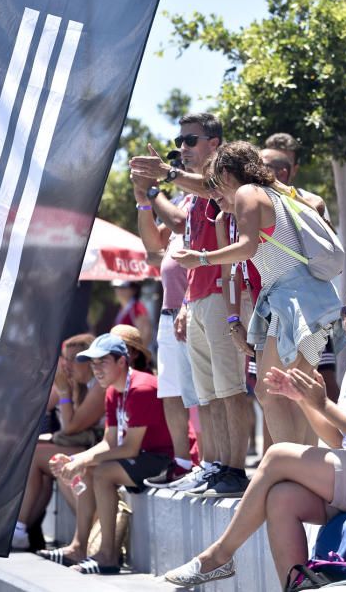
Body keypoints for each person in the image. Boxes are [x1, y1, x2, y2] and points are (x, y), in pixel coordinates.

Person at [164, 274, 346, 588]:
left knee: (278, 455)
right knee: (282, 498)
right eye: (345, 312)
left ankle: (219, 556)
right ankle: (298, 587)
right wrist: (305, 402)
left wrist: (323, 405)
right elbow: (340, 441)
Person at [173, 141, 342, 445]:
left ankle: (292, 471)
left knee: (271, 390)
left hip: (293, 299)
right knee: (295, 391)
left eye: (213, 183)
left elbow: (248, 246)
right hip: (311, 299)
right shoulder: (274, 192)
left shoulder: (247, 193)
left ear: (226, 173)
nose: (213, 195)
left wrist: (200, 258)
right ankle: (307, 474)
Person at [129, 113, 251, 499]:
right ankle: (215, 466)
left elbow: (212, 191)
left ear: (214, 143)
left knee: (230, 389)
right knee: (208, 394)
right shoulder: (192, 191)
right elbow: (172, 235)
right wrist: (149, 194)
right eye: (180, 141)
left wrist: (162, 179)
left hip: (222, 293)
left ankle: (234, 467)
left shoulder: (224, 180)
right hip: (197, 298)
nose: (182, 148)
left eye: (190, 140)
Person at [38, 333, 174, 573]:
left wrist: (82, 461)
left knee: (102, 473)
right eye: (93, 363)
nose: (96, 369)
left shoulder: (141, 388)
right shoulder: (112, 390)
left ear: (122, 362)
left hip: (164, 459)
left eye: (102, 362)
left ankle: (108, 556)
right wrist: (76, 460)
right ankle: (79, 547)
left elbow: (130, 447)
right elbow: (109, 441)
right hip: (142, 454)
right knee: (91, 467)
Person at [130, 177, 202, 486]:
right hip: (171, 310)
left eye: (188, 142)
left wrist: (153, 191)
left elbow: (176, 222)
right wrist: (143, 201)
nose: (180, 155)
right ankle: (183, 463)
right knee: (172, 391)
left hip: (197, 305)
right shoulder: (183, 198)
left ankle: (210, 463)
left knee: (204, 394)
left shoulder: (207, 195)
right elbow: (152, 247)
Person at [260, 142, 339, 402]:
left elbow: (317, 210)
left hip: (307, 303)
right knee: (275, 391)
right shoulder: (258, 200)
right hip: (276, 304)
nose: (254, 170)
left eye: (262, 166)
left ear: (283, 172)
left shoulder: (305, 199)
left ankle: (331, 441)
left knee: (306, 385)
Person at [13, 333, 104, 550]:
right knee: (43, 472)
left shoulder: (99, 386)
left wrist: (63, 391)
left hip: (98, 451)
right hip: (84, 446)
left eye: (73, 359)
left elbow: (71, 427)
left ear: (91, 361)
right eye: (65, 359)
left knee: (37, 456)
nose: (67, 365)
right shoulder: (81, 384)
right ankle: (22, 530)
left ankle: (19, 528)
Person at [111, 280, 152, 350]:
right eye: (116, 287)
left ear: (134, 290)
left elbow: (146, 334)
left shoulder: (137, 308)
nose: (119, 290)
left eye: (123, 287)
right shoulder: (122, 308)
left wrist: (138, 355)